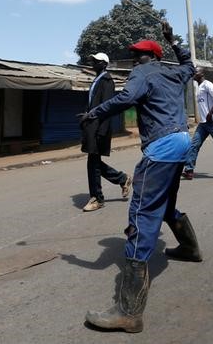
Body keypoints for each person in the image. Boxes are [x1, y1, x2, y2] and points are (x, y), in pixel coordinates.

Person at [79, 21, 201, 333]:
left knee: (142, 214)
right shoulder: (175, 71)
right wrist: (174, 40)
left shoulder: (142, 73)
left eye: (136, 56)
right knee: (166, 201)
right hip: (182, 142)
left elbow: (126, 98)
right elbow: (189, 63)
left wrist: (95, 113)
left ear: (144, 58)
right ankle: (189, 248)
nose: (134, 60)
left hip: (160, 148)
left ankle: (129, 312)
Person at [80, 52, 132, 212]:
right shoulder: (97, 80)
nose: (93, 63)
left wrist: (101, 130)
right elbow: (93, 105)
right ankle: (122, 179)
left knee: (93, 163)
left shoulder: (107, 81)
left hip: (99, 127)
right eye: (93, 60)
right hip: (92, 125)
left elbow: (107, 107)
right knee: (93, 162)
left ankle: (97, 198)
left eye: (96, 61)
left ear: (104, 64)